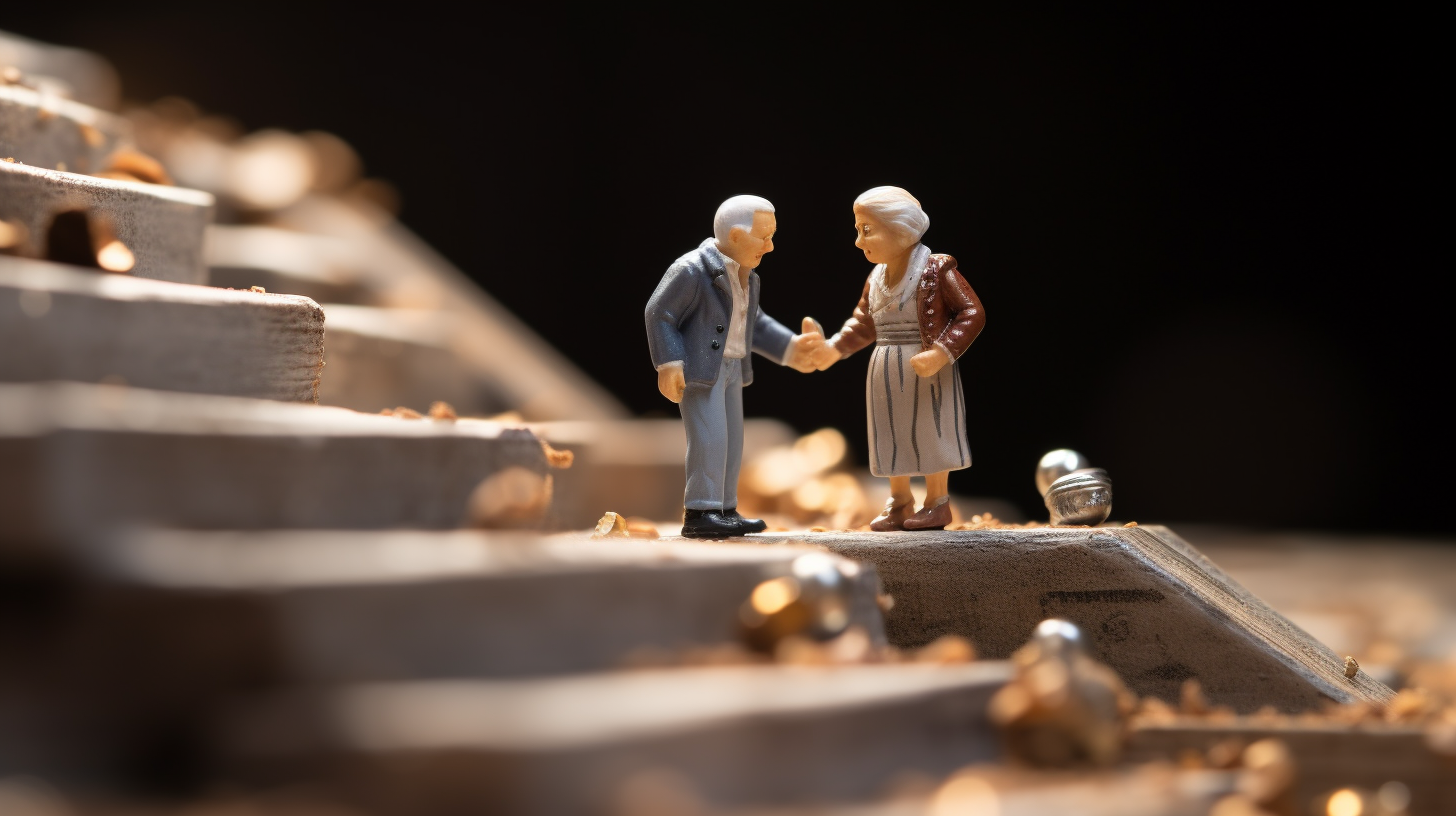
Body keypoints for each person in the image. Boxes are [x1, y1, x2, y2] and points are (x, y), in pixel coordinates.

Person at [646, 195, 826, 538]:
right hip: (702, 370)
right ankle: (701, 510)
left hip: (732, 368)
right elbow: (659, 313)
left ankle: (725, 508)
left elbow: (755, 323)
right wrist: (669, 363)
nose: (770, 247)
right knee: (709, 439)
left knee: (732, 441)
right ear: (737, 236)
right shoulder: (691, 269)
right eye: (764, 236)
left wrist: (791, 348)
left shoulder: (748, 276)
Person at [809, 187, 986, 531]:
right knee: (891, 433)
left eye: (867, 230)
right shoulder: (876, 277)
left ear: (900, 228)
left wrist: (942, 351)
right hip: (885, 368)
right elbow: (862, 323)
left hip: (926, 366)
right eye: (858, 230)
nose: (859, 241)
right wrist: (833, 348)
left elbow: (971, 311)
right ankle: (900, 501)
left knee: (930, 430)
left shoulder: (935, 269)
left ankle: (937, 501)